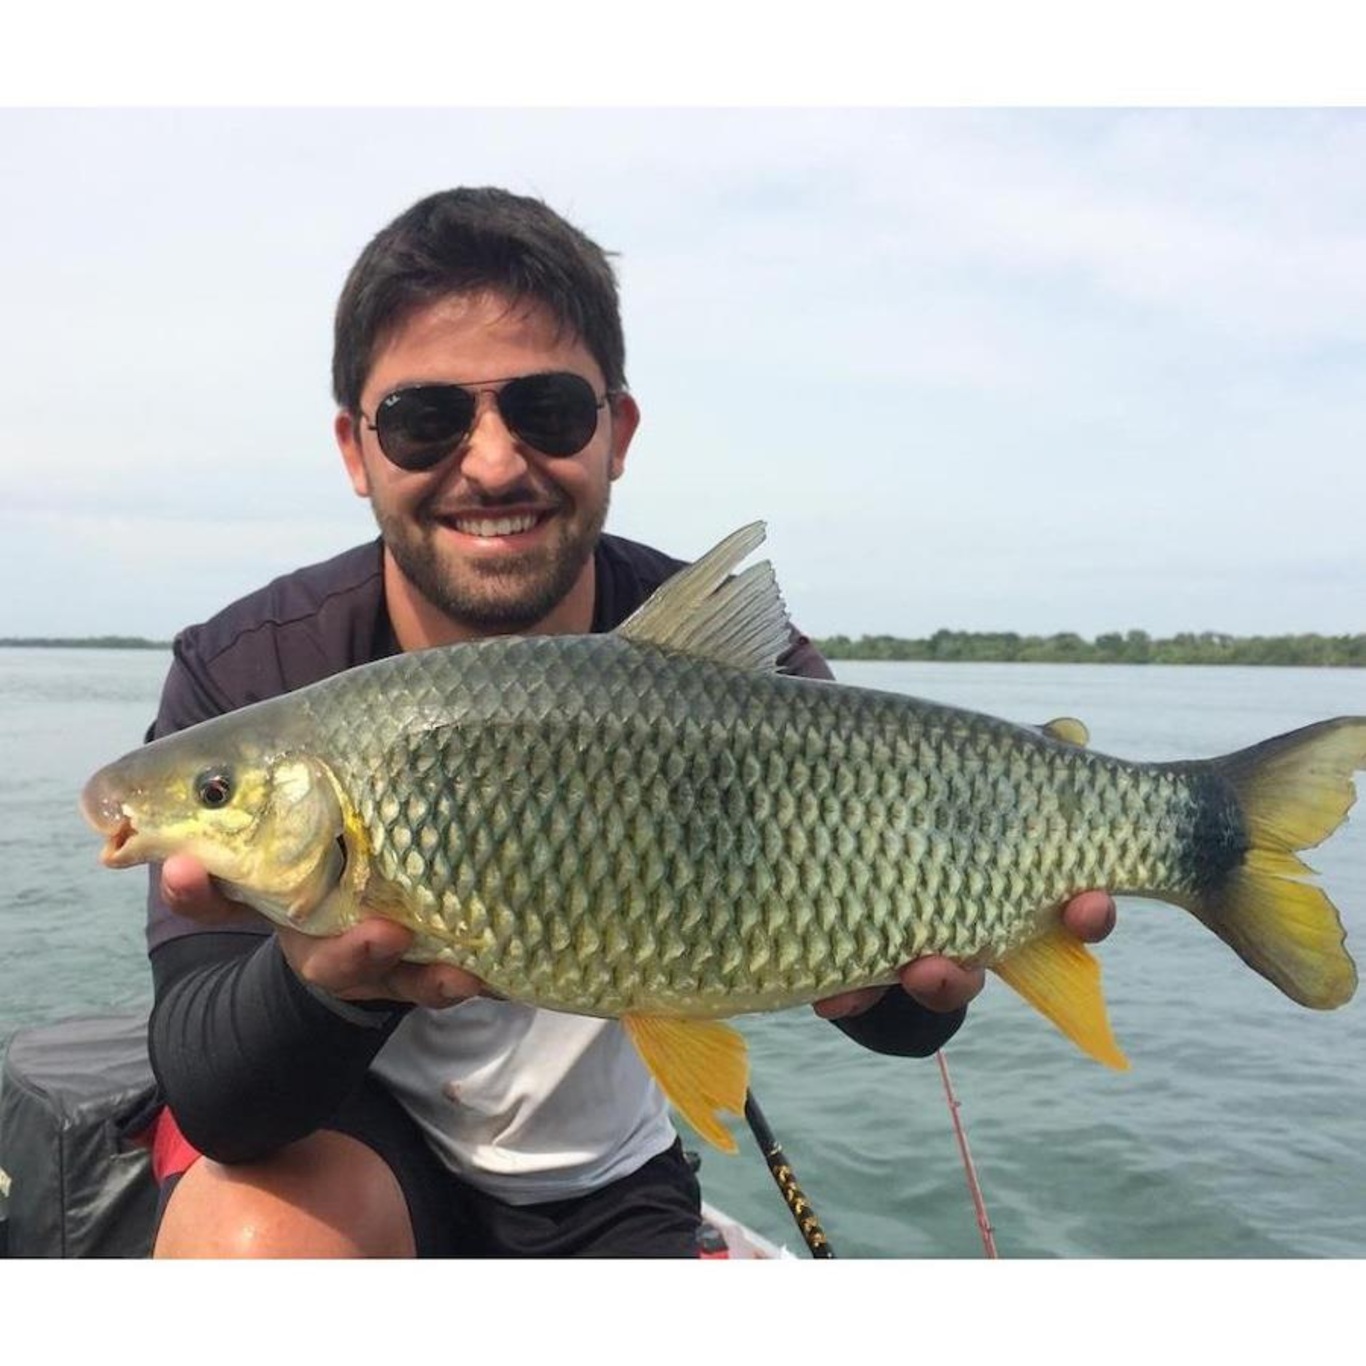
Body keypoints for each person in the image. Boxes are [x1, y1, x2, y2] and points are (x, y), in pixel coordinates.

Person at [143, 187, 1118, 1258]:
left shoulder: (752, 678)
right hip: (356, 1148)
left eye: (548, 411)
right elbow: (215, 1095)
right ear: (355, 447)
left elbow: (906, 1009)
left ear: (616, 430)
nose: (493, 462)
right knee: (248, 1242)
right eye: (428, 419)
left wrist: (912, 980)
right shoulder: (249, 675)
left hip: (607, 1170)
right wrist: (320, 977)